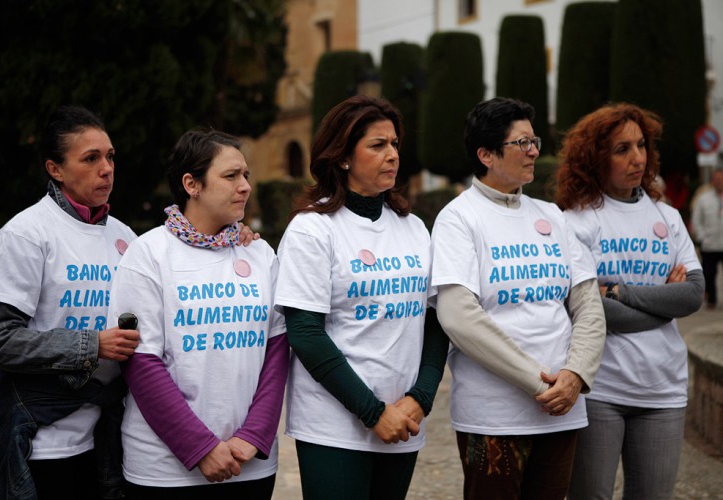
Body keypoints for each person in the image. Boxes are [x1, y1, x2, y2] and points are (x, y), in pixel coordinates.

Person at [430, 97, 606, 499]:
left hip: (562, 409)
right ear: (486, 154)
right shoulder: (459, 218)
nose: (534, 151)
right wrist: (538, 383)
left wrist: (576, 374)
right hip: (494, 416)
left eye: (534, 141)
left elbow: (587, 304)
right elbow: (459, 318)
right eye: (522, 143)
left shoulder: (552, 215)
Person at [274, 95, 448, 500]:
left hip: (403, 419)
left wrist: (419, 399)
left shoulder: (414, 228)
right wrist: (372, 412)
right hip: (335, 425)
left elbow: (436, 319)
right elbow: (305, 333)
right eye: (377, 145)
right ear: (343, 157)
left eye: (394, 144)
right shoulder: (313, 229)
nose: (392, 155)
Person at [107, 128, 289, 499]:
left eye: (246, 175)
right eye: (230, 176)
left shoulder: (259, 254)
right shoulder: (148, 254)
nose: (245, 187)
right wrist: (200, 447)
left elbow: (276, 351)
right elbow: (140, 362)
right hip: (165, 470)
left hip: (249, 464)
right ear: (192, 184)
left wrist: (254, 435)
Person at [0, 105, 140, 499]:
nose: (107, 168)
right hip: (39, 442)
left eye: (110, 156)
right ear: (55, 169)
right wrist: (91, 345)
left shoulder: (126, 237)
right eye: (91, 158)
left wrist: (234, 239)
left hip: (108, 440)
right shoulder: (24, 235)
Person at [554, 103, 704, 499]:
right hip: (600, 388)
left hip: (663, 390)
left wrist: (619, 292)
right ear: (595, 157)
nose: (637, 158)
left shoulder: (667, 217)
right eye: (622, 149)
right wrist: (660, 304)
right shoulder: (576, 220)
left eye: (641, 146)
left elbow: (692, 294)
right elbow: (590, 310)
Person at [692, 166, 723, 309]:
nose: (719, 181)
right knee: (709, 274)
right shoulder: (704, 199)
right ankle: (711, 300)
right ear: (712, 180)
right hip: (709, 244)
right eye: (716, 179)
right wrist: (702, 237)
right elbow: (696, 220)